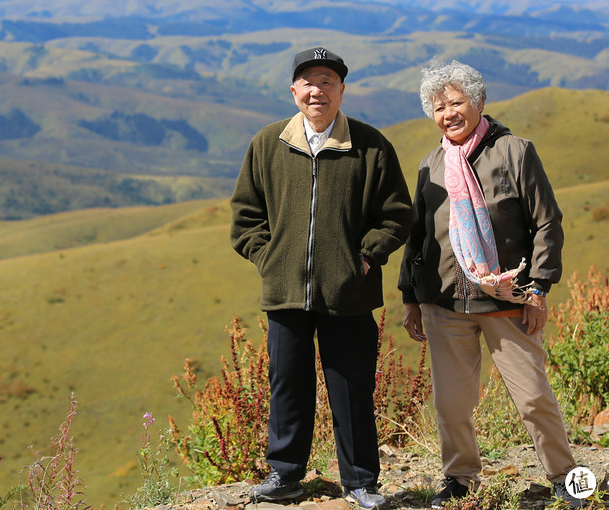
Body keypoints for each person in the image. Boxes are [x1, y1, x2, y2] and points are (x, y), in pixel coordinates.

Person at [231, 47, 413, 509]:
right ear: (294, 91)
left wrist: (366, 259)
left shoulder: (371, 145)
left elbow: (396, 215)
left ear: (342, 91)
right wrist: (269, 258)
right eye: (309, 82)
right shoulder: (268, 143)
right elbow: (246, 217)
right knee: (287, 386)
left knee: (351, 389)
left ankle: (360, 483)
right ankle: (285, 475)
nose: (318, 91)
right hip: (285, 292)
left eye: (328, 81)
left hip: (349, 294)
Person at [397, 58, 583, 509]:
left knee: (534, 398)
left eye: (457, 102)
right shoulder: (432, 163)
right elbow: (418, 235)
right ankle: (460, 478)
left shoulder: (515, 151)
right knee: (451, 405)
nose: (449, 114)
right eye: (439, 107)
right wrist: (411, 298)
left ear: (478, 102)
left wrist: (538, 288)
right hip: (444, 302)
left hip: (507, 301)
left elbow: (547, 223)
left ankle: (566, 479)